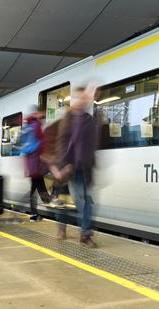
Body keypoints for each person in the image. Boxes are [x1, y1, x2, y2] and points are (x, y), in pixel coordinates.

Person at [56, 85, 98, 248]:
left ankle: (84, 233)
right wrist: (63, 165)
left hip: (86, 169)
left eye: (86, 98)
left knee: (88, 202)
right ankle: (82, 234)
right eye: (81, 98)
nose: (84, 101)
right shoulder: (68, 118)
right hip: (71, 169)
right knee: (78, 202)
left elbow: (92, 144)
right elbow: (62, 143)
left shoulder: (89, 119)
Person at [21, 110, 50, 222]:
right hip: (37, 161)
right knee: (39, 186)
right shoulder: (36, 126)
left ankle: (34, 213)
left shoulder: (27, 126)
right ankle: (48, 205)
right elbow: (42, 143)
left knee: (35, 187)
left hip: (30, 163)